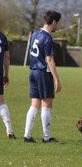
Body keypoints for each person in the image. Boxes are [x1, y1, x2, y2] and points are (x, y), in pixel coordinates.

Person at [24, 10, 62, 143]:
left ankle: (27, 136)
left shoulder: (35, 34)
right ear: (54, 22)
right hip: (42, 73)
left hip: (33, 71)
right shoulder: (47, 38)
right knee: (47, 104)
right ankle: (47, 138)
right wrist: (57, 79)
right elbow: (50, 60)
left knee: (34, 105)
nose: (58, 26)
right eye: (58, 23)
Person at [0, 31, 16, 139]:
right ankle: (9, 129)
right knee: (1, 102)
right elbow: (7, 58)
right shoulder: (2, 36)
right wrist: (6, 74)